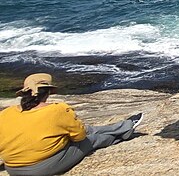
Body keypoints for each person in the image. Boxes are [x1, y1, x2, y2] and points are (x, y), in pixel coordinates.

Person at [0, 73, 143, 176]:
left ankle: (124, 126)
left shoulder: (7, 113)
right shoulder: (57, 109)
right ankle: (123, 133)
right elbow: (80, 137)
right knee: (90, 140)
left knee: (86, 129)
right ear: (48, 92)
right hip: (40, 168)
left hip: (13, 168)